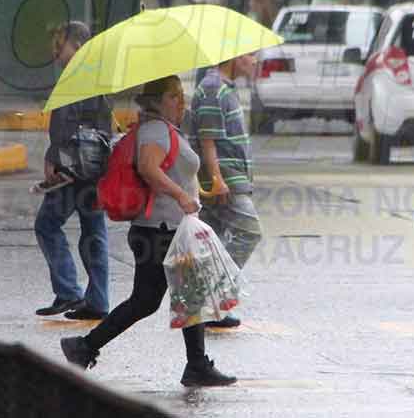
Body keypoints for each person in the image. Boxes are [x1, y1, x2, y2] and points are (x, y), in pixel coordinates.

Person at [60, 76, 237, 387]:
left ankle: (87, 347)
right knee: (165, 297)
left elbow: (169, 170)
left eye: (182, 96)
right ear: (156, 101)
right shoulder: (155, 129)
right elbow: (148, 169)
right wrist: (181, 196)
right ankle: (86, 346)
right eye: (173, 96)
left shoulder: (163, 128)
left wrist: (194, 191)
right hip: (160, 231)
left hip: (163, 228)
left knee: (170, 297)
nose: (181, 102)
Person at [34, 21, 112, 320]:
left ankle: (68, 291)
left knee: (47, 224)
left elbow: (66, 123)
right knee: (94, 231)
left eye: (60, 45)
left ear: (78, 46)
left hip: (72, 169)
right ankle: (98, 300)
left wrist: (53, 158)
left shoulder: (75, 76)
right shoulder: (99, 77)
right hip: (96, 166)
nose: (56, 53)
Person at [190, 53, 264, 328]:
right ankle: (215, 295)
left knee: (213, 241)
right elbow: (207, 140)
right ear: (233, 57)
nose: (255, 60)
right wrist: (217, 178)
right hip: (226, 177)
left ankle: (208, 304)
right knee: (249, 231)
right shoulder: (212, 88)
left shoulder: (225, 88)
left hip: (229, 175)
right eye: (250, 54)